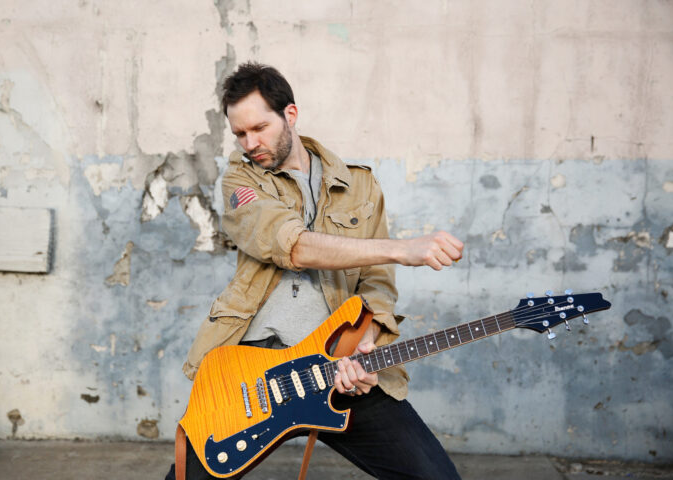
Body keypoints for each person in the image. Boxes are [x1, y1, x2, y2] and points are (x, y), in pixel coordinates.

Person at [167, 62, 464, 480]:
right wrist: (403, 249)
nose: (249, 143)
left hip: (335, 363)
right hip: (251, 373)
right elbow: (294, 245)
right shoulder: (240, 179)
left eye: (259, 128)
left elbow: (376, 287)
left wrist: (362, 350)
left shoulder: (359, 186)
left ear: (290, 114)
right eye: (239, 133)